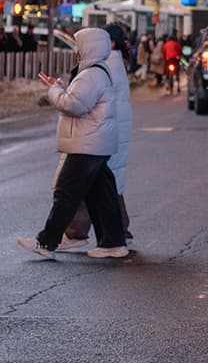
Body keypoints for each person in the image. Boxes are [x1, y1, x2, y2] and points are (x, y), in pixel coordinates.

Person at [16, 27, 128, 260]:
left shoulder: (92, 74)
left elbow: (72, 105)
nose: (77, 50)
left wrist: (54, 91)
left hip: (87, 143)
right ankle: (113, 242)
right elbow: (79, 99)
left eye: (79, 45)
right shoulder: (97, 71)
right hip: (96, 142)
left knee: (66, 192)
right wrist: (59, 88)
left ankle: (46, 242)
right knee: (102, 195)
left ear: (90, 46)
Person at [59, 23, 134, 251]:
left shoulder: (105, 64)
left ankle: (74, 233)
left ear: (109, 43)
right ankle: (119, 233)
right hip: (109, 132)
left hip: (98, 133)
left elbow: (79, 101)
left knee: (82, 184)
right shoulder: (115, 62)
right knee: (106, 185)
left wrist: (58, 91)